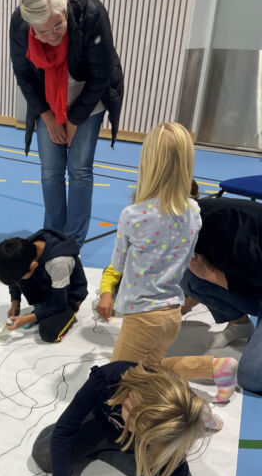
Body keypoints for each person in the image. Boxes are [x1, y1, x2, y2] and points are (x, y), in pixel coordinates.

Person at [94, 122, 238, 403]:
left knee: (117, 382)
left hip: (142, 315)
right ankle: (214, 368)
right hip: (172, 311)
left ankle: (197, 413)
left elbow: (118, 265)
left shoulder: (132, 215)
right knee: (152, 372)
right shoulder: (194, 211)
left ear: (148, 162)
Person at [32, 362, 211, 476]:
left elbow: (175, 466)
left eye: (138, 426)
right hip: (99, 426)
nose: (130, 426)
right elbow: (64, 430)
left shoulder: (168, 422)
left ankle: (111, 450)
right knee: (45, 454)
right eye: (129, 412)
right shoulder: (108, 377)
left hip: (137, 444)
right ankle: (108, 448)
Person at [10, 0, 123, 247]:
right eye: (43, 31)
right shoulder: (19, 22)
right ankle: (52, 235)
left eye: (58, 25)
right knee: (50, 170)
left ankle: (72, 242)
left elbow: (101, 75)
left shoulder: (91, 13)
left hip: (88, 95)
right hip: (47, 97)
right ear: (30, 25)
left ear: (65, 12)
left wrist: (74, 120)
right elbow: (23, 75)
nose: (52, 36)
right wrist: (48, 117)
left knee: (79, 170)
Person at [181, 195, 262, 394]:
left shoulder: (229, 229)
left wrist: (214, 276)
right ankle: (240, 325)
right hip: (254, 276)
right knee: (190, 274)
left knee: (252, 376)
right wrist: (179, 308)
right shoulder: (194, 220)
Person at [0, 229, 88, 342]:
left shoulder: (59, 262)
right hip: (47, 285)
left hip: (67, 297)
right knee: (20, 275)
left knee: (48, 332)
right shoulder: (24, 249)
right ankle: (41, 308)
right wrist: (15, 302)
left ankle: (67, 311)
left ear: (34, 265)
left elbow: (59, 303)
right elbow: (15, 278)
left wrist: (29, 318)